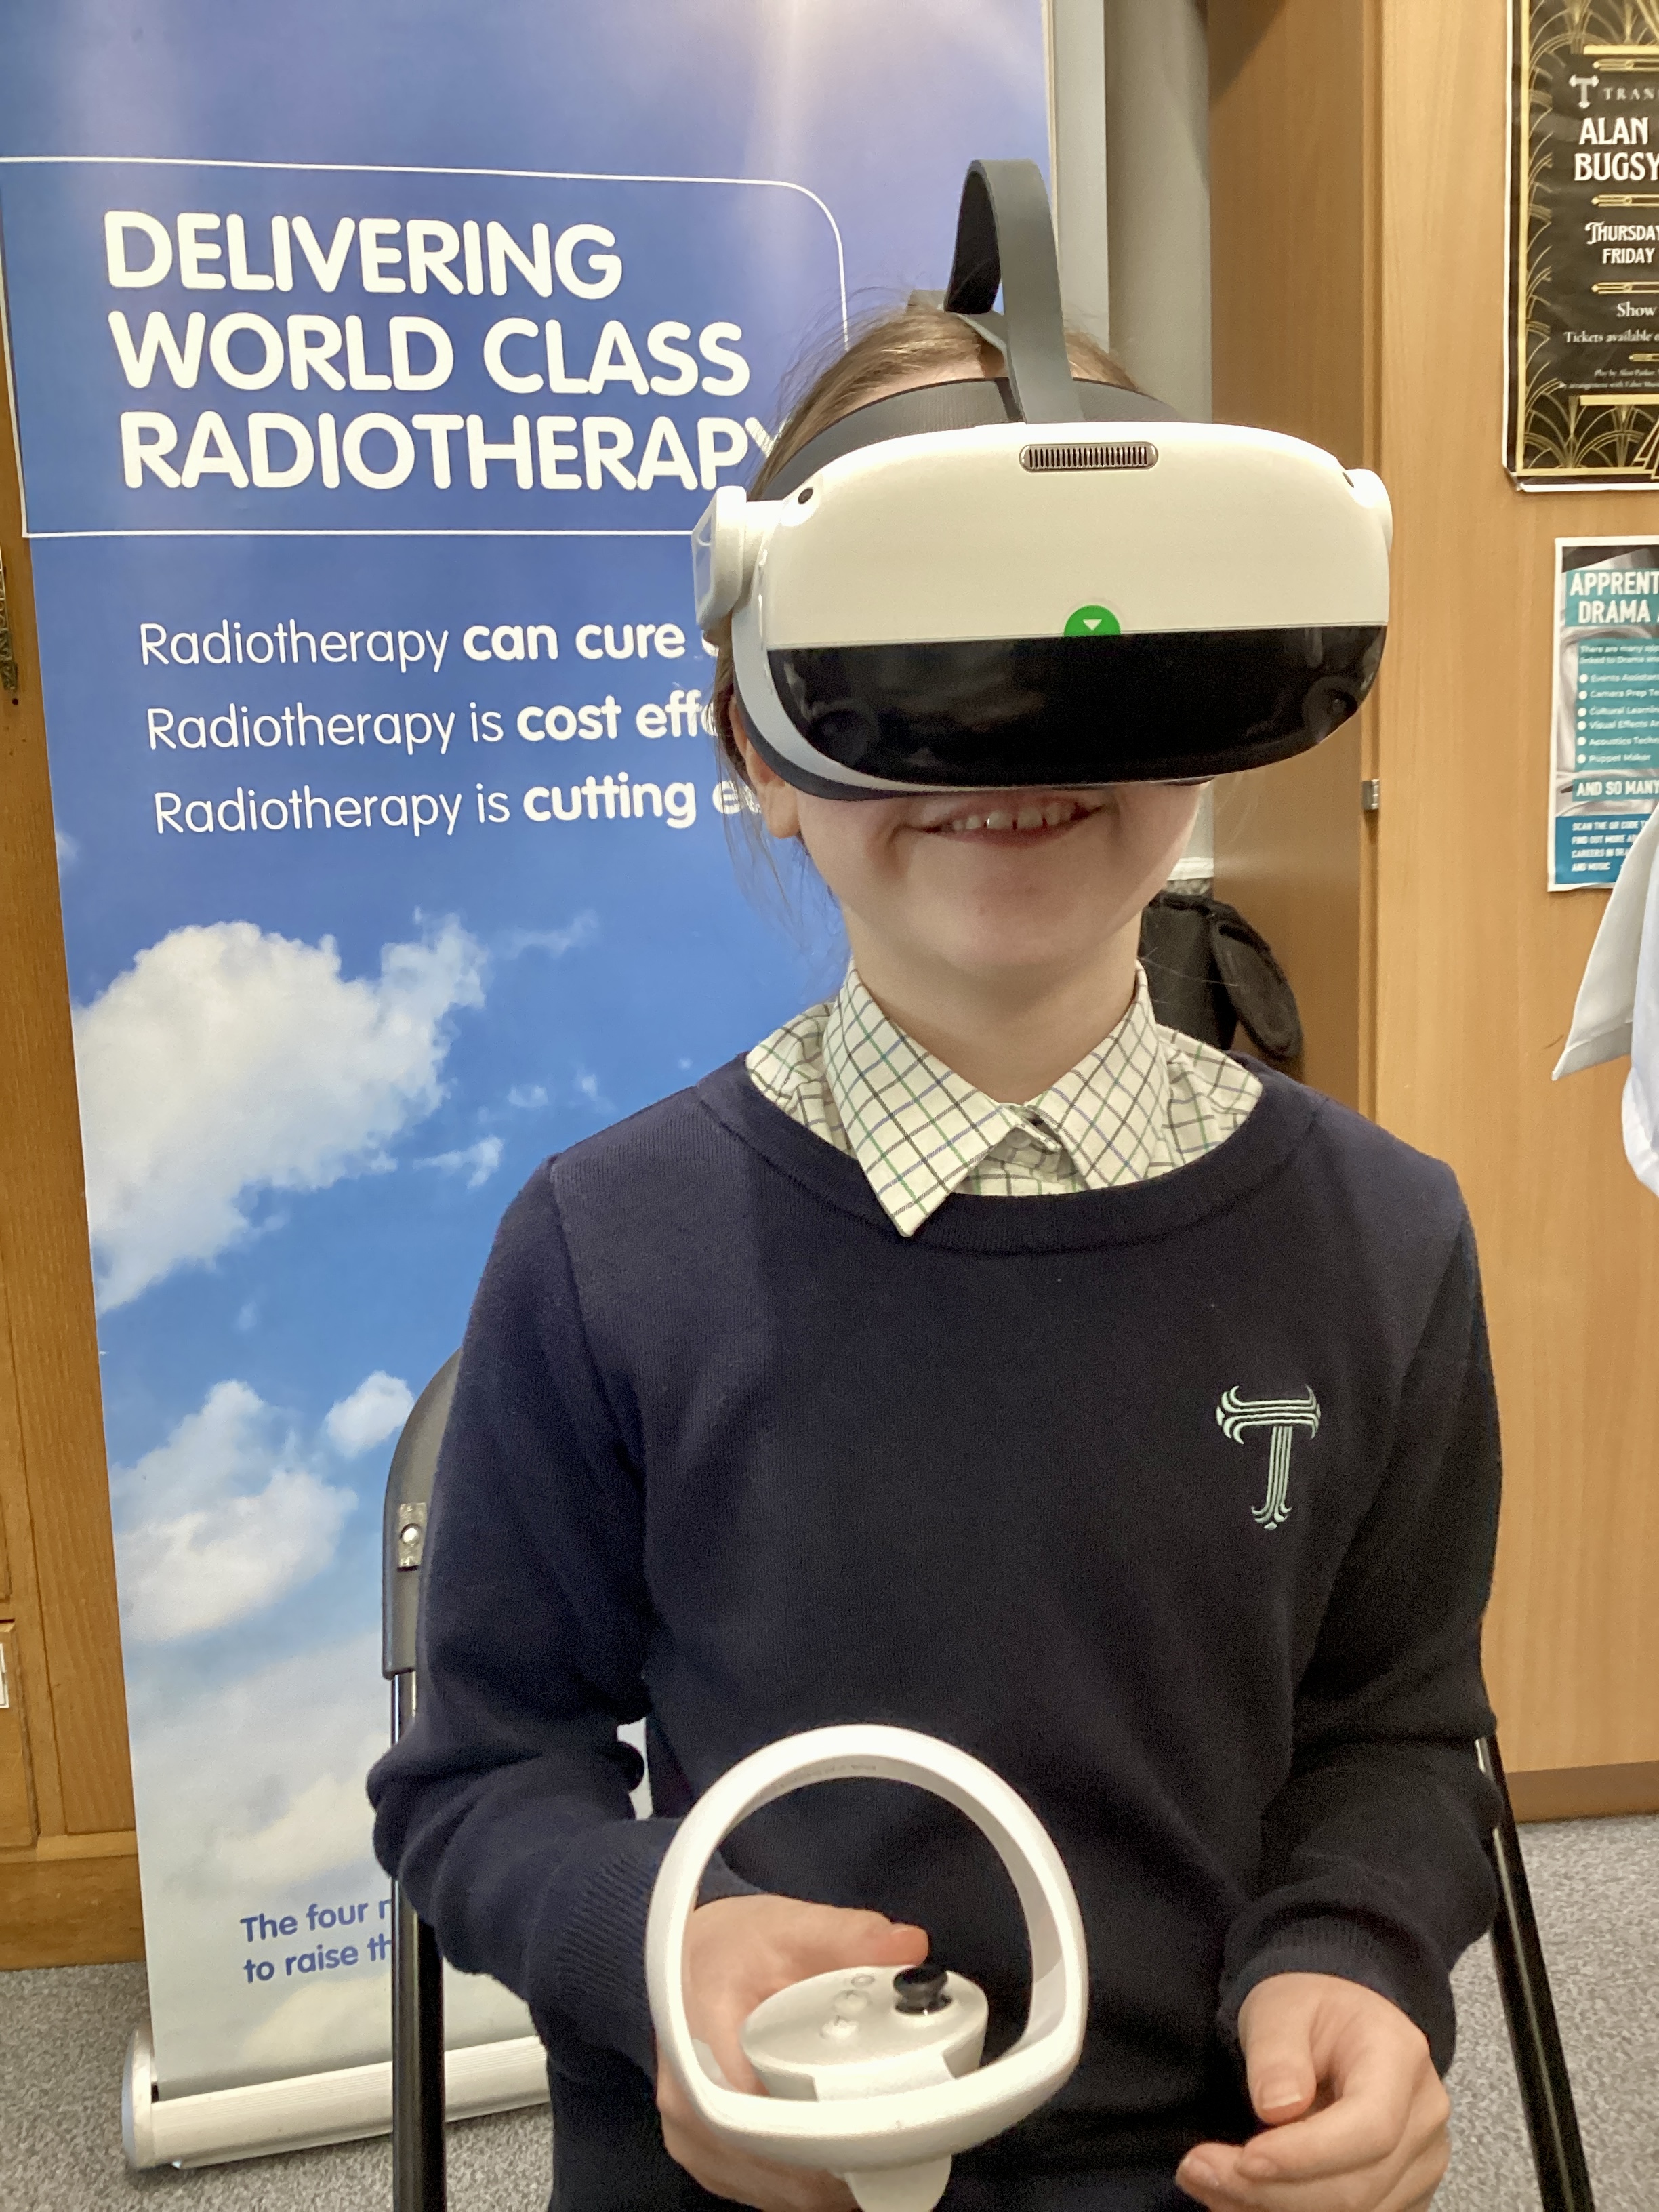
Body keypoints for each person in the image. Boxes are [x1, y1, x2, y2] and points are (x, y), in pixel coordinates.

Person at [369, 306, 1502, 2212]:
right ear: (756, 737)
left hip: (1208, 2161)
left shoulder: (1385, 1241)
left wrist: (1355, 1951)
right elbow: (483, 1776)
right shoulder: (606, 1252)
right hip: (760, 2156)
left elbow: (1396, 1731)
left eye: (1093, 651)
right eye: (912, 649)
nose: (1009, 729)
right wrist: (658, 1951)